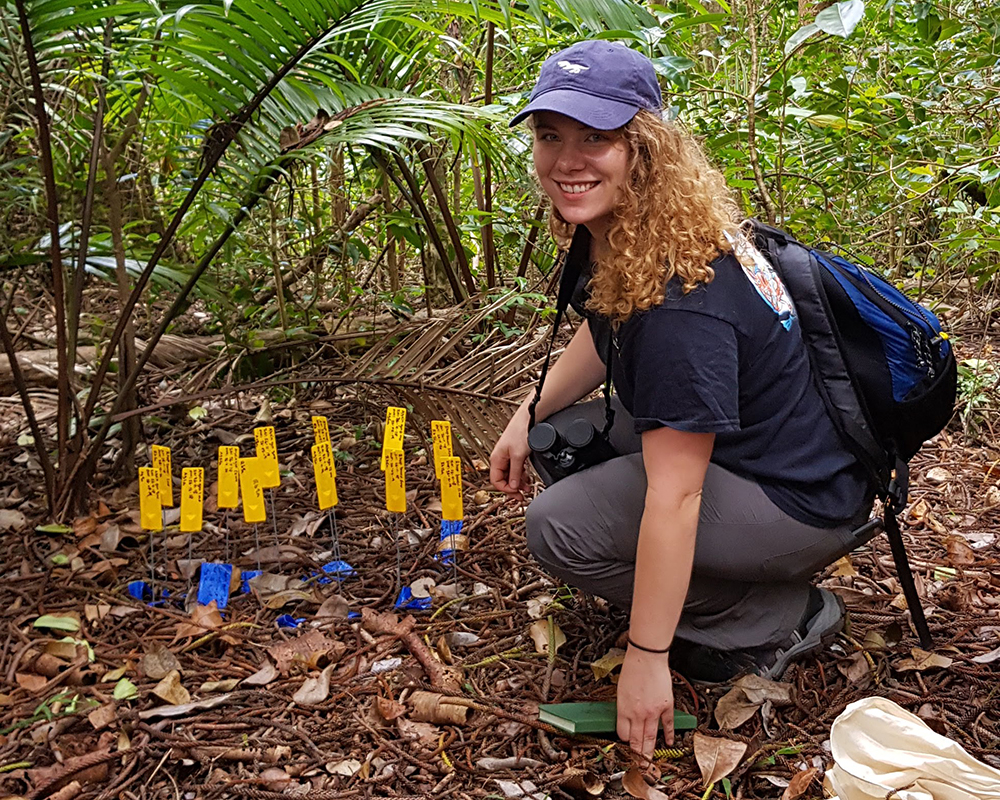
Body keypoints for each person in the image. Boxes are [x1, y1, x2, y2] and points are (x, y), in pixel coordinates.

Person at [489, 40, 875, 759]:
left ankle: (772, 616)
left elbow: (677, 497)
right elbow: (603, 330)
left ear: (645, 150)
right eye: (550, 135)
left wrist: (646, 657)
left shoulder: (681, 301)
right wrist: (525, 414)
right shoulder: (640, 231)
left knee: (559, 526)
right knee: (562, 437)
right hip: (784, 453)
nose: (566, 160)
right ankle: (709, 589)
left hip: (799, 500)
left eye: (595, 138)